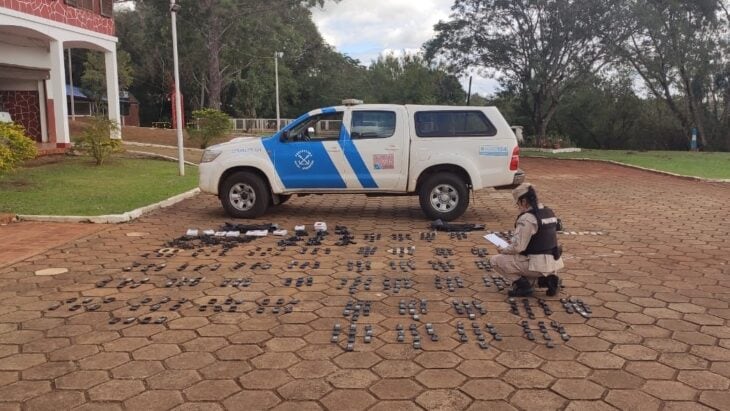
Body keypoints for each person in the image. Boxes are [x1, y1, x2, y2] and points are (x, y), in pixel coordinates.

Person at [489, 183, 564, 297]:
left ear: (523, 201)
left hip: (537, 265)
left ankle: (523, 287)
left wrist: (503, 249)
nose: (518, 207)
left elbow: (518, 247)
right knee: (525, 271)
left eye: (518, 204)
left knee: (496, 261)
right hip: (553, 262)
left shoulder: (527, 218)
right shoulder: (549, 212)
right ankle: (547, 280)